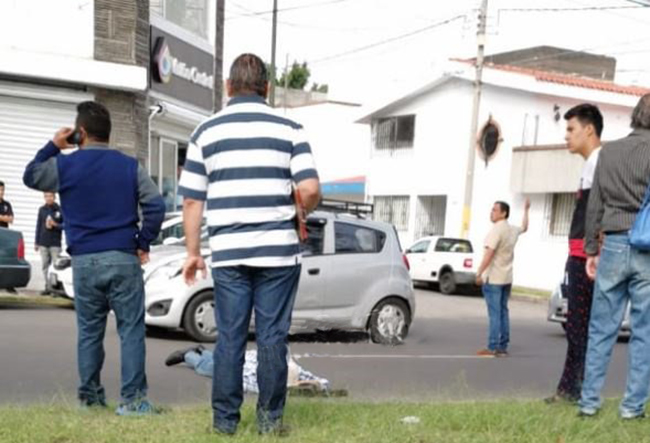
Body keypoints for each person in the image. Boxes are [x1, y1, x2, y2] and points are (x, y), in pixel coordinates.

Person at [178, 53, 321, 436]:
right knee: (273, 337)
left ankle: (224, 423)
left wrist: (193, 253)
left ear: (228, 87)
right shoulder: (290, 127)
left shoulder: (205, 132)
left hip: (229, 254)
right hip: (278, 252)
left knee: (230, 338)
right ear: (267, 88)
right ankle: (269, 423)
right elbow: (309, 189)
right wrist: (298, 209)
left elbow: (192, 200)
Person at [22, 101, 166, 415]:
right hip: (123, 257)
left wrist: (53, 145)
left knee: (89, 332)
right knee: (131, 332)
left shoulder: (64, 166)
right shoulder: (129, 166)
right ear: (108, 134)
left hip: (85, 262)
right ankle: (133, 401)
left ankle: (90, 399)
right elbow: (155, 205)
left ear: (80, 133)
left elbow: (30, 176)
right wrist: (143, 242)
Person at [579, 93, 650, 419]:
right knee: (644, 332)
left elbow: (595, 204)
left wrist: (592, 248)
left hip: (614, 245)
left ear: (634, 116)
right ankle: (632, 408)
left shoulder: (608, 152)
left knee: (601, 328)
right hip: (647, 249)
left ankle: (589, 403)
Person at [544, 104, 603, 404]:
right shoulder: (590, 163)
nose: (567, 136)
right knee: (576, 326)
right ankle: (570, 389)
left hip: (587, 257)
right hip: (579, 255)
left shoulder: (598, 162)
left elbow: (599, 213)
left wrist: (594, 251)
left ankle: (576, 391)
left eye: (571, 129)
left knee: (581, 327)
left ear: (589, 129)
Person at [475, 199, 530, 357]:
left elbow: (489, 253)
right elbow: (525, 227)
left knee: (494, 313)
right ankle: (503, 345)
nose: (491, 213)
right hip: (507, 277)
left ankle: (492, 346)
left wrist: (479, 272)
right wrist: (526, 210)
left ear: (503, 213)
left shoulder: (496, 230)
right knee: (503, 312)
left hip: (494, 278)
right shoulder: (512, 230)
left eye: (494, 210)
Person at [164, 346, 331, 394]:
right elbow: (240, 385)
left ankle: (204, 351)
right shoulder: (262, 382)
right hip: (242, 365)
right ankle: (189, 355)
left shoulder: (294, 369)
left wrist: (319, 386)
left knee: (218, 360)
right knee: (208, 368)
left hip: (248, 360)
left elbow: (322, 381)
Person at [35, 192, 64, 295]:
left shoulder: (60, 209)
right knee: (45, 266)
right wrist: (36, 242)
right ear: (44, 197)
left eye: (50, 196)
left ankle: (55, 290)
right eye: (46, 196)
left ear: (54, 197)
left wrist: (55, 224)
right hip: (43, 242)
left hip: (55, 243)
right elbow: (38, 226)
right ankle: (47, 287)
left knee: (55, 267)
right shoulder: (42, 210)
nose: (48, 198)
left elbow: (65, 225)